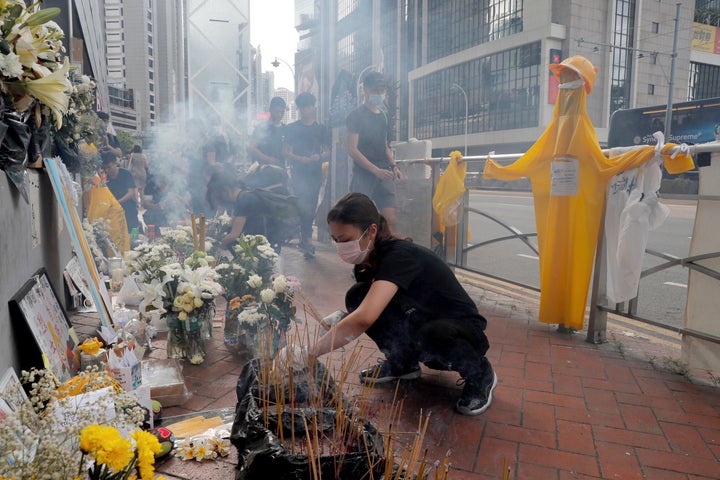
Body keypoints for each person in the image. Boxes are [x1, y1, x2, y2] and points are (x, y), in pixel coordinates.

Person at [304, 192, 497, 416]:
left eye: (346, 240)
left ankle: (480, 373)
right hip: (420, 317)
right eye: (335, 240)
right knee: (357, 296)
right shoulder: (365, 264)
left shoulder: (400, 256)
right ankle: (403, 362)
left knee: (432, 334)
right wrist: (345, 316)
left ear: (372, 231)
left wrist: (309, 352)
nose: (340, 247)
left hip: (458, 328)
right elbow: (375, 307)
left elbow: (365, 318)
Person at [346, 71, 403, 233]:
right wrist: (375, 170)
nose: (379, 94)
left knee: (390, 219)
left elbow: (385, 145)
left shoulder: (384, 116)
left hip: (385, 173)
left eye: (382, 91)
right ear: (365, 90)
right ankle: (361, 256)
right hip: (364, 174)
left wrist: (394, 166)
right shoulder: (355, 116)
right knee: (360, 220)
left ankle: (390, 255)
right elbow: (352, 149)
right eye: (376, 91)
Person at [283, 92, 331, 258]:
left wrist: (319, 156)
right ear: (299, 108)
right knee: (302, 204)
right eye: (303, 106)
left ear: (314, 107)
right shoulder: (292, 128)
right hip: (298, 172)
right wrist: (299, 158)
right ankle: (306, 238)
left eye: (309, 106)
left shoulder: (321, 129)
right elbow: (286, 151)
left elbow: (327, 151)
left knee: (311, 204)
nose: (306, 109)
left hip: (315, 172)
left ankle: (306, 238)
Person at [207, 165, 295, 252]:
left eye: (219, 194)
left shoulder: (244, 199)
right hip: (268, 240)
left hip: (267, 245)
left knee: (232, 242)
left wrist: (217, 246)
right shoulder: (243, 194)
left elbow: (234, 234)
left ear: (225, 189)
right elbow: (231, 224)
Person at [101, 150, 140, 233]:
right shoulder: (104, 178)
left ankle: (136, 243)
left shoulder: (126, 174)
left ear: (115, 163)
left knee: (133, 231)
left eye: (109, 167)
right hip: (114, 212)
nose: (107, 171)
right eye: (104, 168)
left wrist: (117, 202)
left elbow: (130, 193)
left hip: (129, 208)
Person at [250, 96, 287, 166]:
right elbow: (253, 148)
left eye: (282, 112)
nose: (280, 115)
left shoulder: (285, 129)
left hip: (279, 171)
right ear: (270, 110)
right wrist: (268, 159)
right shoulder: (261, 128)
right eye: (277, 112)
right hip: (262, 170)